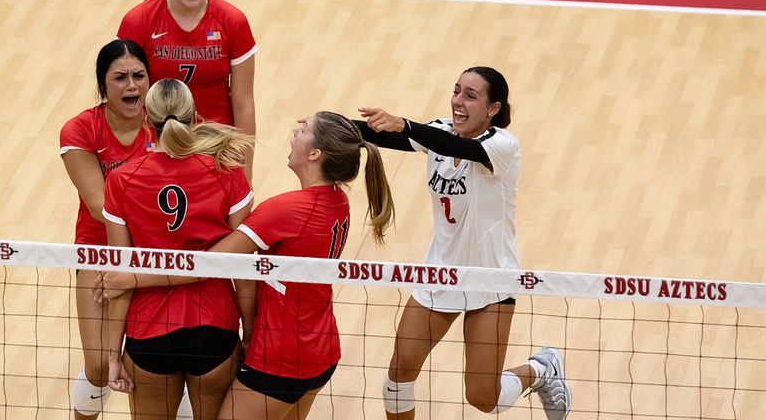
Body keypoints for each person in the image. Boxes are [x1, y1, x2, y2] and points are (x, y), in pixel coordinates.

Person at [354, 67, 571, 420]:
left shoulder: (501, 146)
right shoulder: (439, 132)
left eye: (470, 96)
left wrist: (406, 125)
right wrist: (330, 125)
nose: (457, 101)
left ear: (492, 109)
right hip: (440, 275)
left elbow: (456, 146)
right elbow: (387, 136)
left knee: (485, 398)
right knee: (396, 380)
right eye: (456, 91)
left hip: (491, 280)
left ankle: (541, 369)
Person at [202, 112, 395, 420]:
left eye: (303, 129)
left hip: (282, 358)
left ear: (316, 153)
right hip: (320, 350)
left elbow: (210, 261)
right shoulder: (337, 201)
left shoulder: (286, 209)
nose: (294, 130)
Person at [97, 78, 254, 420]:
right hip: (214, 328)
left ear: (145, 121)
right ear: (196, 116)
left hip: (148, 332)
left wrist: (111, 355)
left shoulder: (121, 182)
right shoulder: (228, 174)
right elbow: (243, 273)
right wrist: (250, 337)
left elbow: (120, 277)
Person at [59, 39, 156, 419]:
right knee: (100, 365)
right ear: (103, 85)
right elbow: (100, 207)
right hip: (100, 250)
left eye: (139, 76)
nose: (132, 86)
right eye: (120, 78)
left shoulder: (170, 123)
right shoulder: (81, 130)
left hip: (157, 252)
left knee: (150, 367)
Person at [118, 0, 257, 178]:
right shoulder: (138, 21)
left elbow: (243, 103)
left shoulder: (233, 22)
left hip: (215, 142)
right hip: (157, 138)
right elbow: (123, 96)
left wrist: (245, 171)